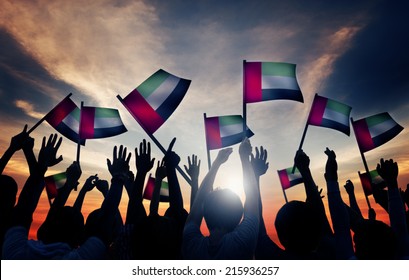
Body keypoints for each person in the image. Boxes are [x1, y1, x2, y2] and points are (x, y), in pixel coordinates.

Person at [182, 138, 259, 259]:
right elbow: (253, 196)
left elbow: (196, 209)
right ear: (239, 215)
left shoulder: (192, 245)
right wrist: (244, 157)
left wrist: (216, 164)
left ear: (205, 213)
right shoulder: (243, 242)